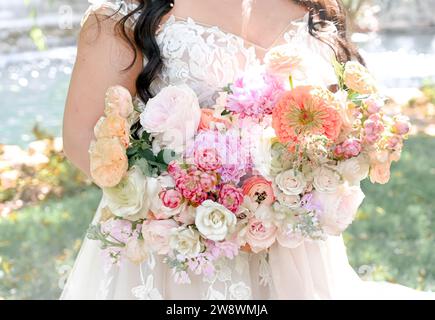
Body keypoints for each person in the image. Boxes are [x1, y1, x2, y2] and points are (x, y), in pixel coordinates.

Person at [61, 0, 433, 299]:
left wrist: (299, 190)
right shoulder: (124, 17)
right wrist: (203, 208)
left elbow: (336, 122)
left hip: (293, 249)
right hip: (177, 255)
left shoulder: (316, 9)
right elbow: (83, 142)